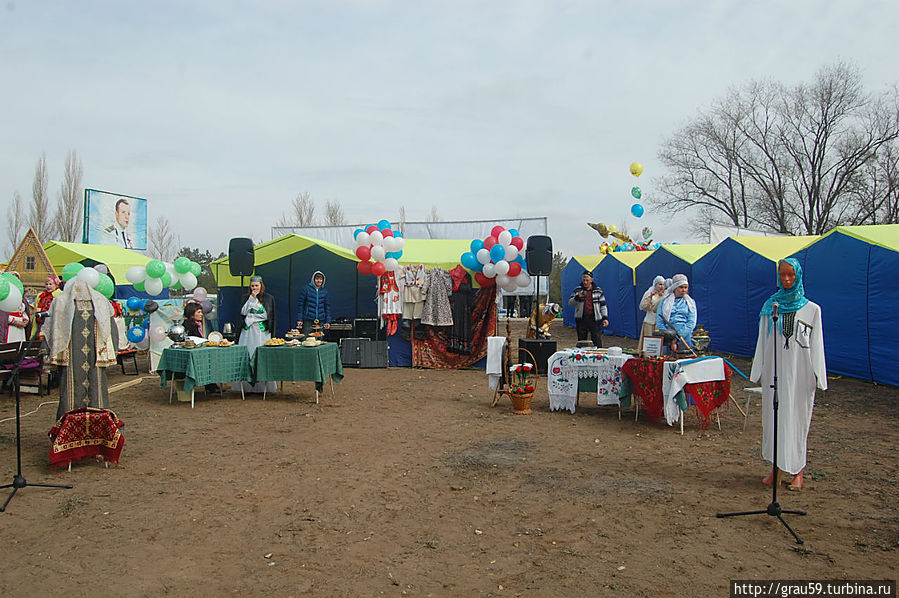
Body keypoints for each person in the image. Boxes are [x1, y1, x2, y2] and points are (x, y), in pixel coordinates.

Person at [750, 258, 826, 491]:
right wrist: (758, 370)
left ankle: (797, 470)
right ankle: (776, 468)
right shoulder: (770, 307)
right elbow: (762, 341)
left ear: (798, 276)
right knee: (774, 420)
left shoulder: (812, 310)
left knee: (796, 419)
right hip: (775, 372)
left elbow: (817, 344)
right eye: (782, 275)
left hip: (800, 375)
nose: (786, 279)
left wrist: (818, 376)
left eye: (791, 275)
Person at [45, 279, 119, 421]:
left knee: (93, 388)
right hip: (74, 356)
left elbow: (109, 328)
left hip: (91, 355)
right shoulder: (63, 302)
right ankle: (73, 426)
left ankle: (94, 425)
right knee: (73, 390)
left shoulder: (99, 302)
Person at [233, 276, 277, 393]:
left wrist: (254, 317)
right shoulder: (246, 298)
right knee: (247, 355)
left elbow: (269, 316)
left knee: (260, 356)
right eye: (252, 286)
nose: (254, 288)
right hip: (247, 332)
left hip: (261, 332)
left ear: (261, 285)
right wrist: (252, 299)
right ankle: (245, 386)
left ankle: (263, 386)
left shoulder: (268, 298)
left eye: (256, 285)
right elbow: (243, 312)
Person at [184, 301, 222, 393]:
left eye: (201, 312)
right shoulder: (187, 325)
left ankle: (211, 384)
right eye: (199, 312)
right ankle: (210, 385)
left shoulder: (203, 324)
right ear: (192, 314)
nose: (201, 314)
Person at [656, 273, 697, 352]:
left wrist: (677, 338)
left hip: (685, 338)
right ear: (674, 288)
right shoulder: (664, 302)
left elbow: (691, 323)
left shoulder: (690, 303)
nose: (683, 290)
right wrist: (670, 338)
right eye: (681, 287)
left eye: (686, 287)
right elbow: (659, 322)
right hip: (667, 338)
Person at [568, 270, 609, 347]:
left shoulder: (598, 291)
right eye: (584, 280)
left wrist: (605, 318)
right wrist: (577, 297)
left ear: (591, 280)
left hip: (595, 319)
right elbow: (570, 303)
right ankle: (581, 357)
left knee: (597, 340)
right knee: (582, 341)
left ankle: (598, 357)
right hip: (581, 319)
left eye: (587, 280)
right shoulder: (578, 290)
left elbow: (603, 306)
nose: (585, 282)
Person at [638, 275, 665, 352]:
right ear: (655, 285)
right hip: (650, 322)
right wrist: (650, 297)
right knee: (649, 343)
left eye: (663, 284)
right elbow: (644, 307)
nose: (661, 286)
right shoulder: (649, 294)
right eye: (660, 284)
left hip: (660, 323)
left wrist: (661, 297)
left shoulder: (665, 295)